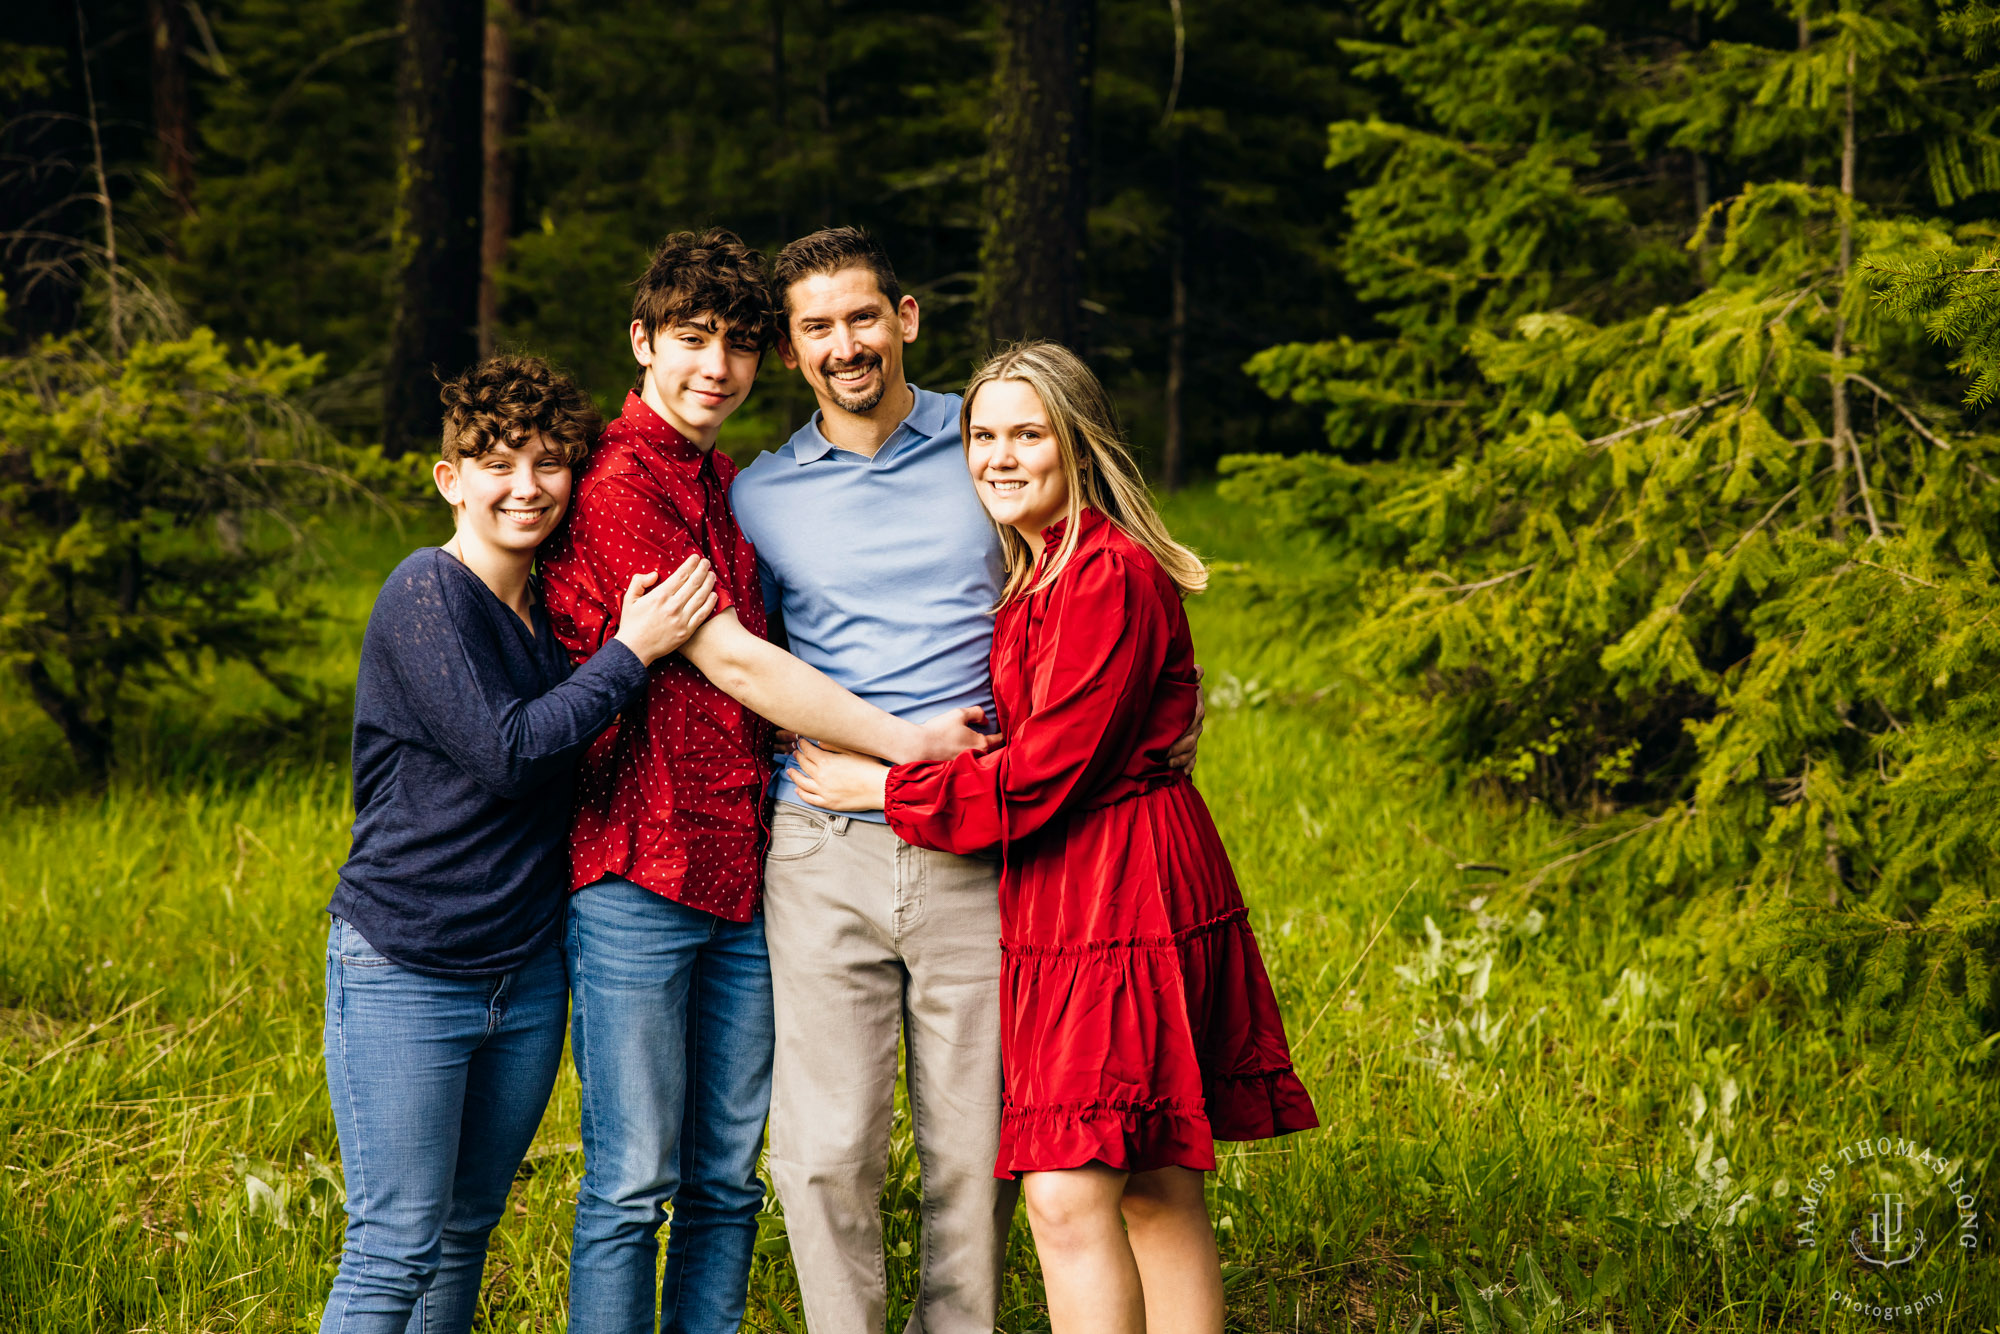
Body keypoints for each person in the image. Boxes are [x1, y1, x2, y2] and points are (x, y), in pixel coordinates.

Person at [727, 228, 1205, 1334]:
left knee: (979, 1140)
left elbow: (1110, 577)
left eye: (861, 316)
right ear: (792, 353)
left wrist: (1174, 711)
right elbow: (732, 655)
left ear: (904, 317)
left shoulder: (986, 434)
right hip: (820, 837)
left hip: (994, 838)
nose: (844, 345)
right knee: (823, 1146)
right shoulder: (759, 497)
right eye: (816, 328)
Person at [790, 341, 1319, 1334]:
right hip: (1076, 881)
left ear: (1077, 446)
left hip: (1118, 888)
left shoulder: (1101, 576)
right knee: (1152, 1179)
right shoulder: (1042, 570)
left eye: (1025, 433)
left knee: (1067, 1194)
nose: (997, 455)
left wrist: (884, 785)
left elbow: (1042, 774)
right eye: (981, 435)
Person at [535, 228, 990, 1334]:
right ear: (643, 342)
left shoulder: (747, 481)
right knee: (668, 1172)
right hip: (683, 858)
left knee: (756, 1172)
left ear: (906, 319)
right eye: (696, 341)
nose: (717, 367)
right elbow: (737, 656)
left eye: (738, 343)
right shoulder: (659, 486)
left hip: (774, 856)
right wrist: (907, 746)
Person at [321, 355, 720, 1334]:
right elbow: (508, 750)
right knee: (394, 1243)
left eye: (548, 463)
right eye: (496, 462)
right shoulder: (426, 591)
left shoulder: (551, 614)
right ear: (449, 477)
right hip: (406, 963)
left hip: (523, 974)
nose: (526, 485)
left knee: (463, 1228)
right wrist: (632, 653)